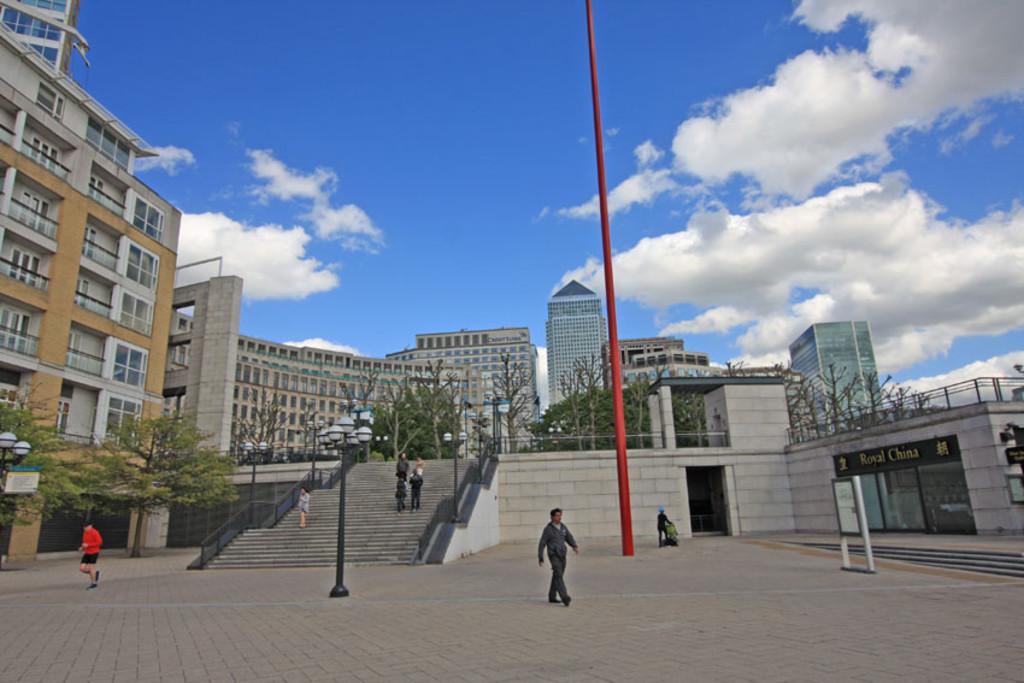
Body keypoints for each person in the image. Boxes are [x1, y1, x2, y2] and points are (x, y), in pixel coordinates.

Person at [538, 508, 579, 607]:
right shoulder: (548, 529)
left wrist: (574, 546)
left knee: (557, 575)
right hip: (553, 555)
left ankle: (552, 596)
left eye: (560, 515)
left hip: (562, 555)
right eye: (557, 515)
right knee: (558, 575)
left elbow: (569, 537)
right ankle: (565, 597)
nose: (559, 517)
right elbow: (542, 543)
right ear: (552, 517)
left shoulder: (563, 527)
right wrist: (540, 557)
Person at [79, 522, 103, 590]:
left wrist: (88, 545)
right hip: (87, 553)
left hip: (94, 552)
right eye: (84, 527)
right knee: (82, 568)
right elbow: (84, 542)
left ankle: (94, 584)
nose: (85, 528)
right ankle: (96, 573)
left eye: (86, 527)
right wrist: (82, 547)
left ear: (90, 526)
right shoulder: (85, 533)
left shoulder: (95, 532)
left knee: (91, 568)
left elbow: (100, 542)